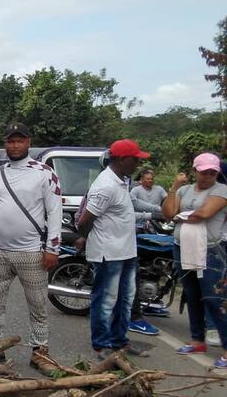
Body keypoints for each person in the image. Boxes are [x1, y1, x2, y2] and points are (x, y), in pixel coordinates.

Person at [0, 123, 62, 373]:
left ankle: (40, 350)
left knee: (37, 303)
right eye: (11, 141)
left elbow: (54, 212)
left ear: (29, 142)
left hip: (32, 251)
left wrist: (52, 248)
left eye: (20, 141)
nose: (15, 145)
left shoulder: (45, 173)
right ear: (5, 143)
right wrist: (3, 223)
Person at [75, 139, 149, 360]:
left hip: (126, 252)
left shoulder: (122, 181)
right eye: (135, 159)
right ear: (123, 159)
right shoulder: (105, 185)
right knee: (106, 300)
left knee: (126, 300)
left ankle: (119, 342)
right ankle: (102, 345)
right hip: (109, 253)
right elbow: (84, 220)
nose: (138, 163)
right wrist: (86, 238)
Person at [162, 153, 227, 368]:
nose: (208, 176)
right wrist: (173, 187)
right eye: (204, 172)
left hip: (210, 250)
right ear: (194, 171)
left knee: (214, 299)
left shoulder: (221, 190)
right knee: (192, 295)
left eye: (212, 172)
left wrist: (181, 215)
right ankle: (197, 340)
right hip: (183, 247)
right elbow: (169, 213)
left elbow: (204, 213)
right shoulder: (184, 189)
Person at [125, 169, 168, 336]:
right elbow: (132, 208)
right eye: (147, 178)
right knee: (131, 273)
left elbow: (167, 201)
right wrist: (155, 211)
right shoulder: (131, 190)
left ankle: (152, 301)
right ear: (140, 179)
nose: (150, 181)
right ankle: (133, 317)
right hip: (136, 229)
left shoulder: (159, 189)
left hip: (154, 226)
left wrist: (170, 206)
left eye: (152, 178)